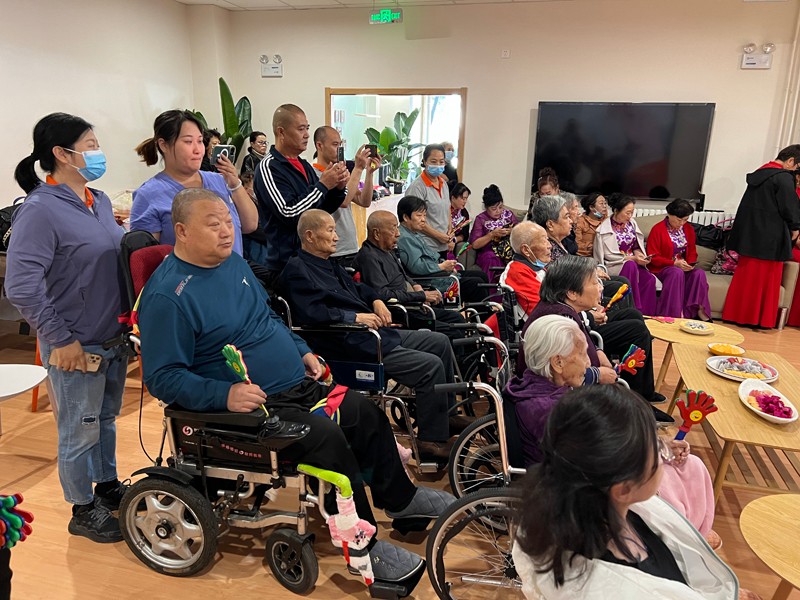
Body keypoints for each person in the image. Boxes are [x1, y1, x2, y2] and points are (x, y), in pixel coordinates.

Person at [138, 189, 454, 586]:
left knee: (363, 411)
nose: (226, 231)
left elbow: (269, 318)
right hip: (254, 409)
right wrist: (225, 394)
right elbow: (163, 378)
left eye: (228, 221)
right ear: (182, 231)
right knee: (328, 439)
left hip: (296, 387)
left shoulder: (233, 263)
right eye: (213, 224)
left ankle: (402, 501)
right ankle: (362, 546)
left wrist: (302, 350)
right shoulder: (167, 297)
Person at [5, 113, 129, 543]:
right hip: (74, 343)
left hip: (112, 336)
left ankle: (107, 485)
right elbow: (21, 285)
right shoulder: (40, 210)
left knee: (105, 419)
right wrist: (60, 339)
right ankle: (81, 507)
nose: (98, 153)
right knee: (79, 429)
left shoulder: (100, 201)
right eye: (90, 145)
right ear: (61, 153)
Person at [511, 385, 753, 600]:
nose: (662, 452)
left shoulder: (565, 498)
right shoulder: (628, 590)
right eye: (656, 449)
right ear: (624, 488)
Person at [280, 209, 469, 463]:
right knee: (429, 365)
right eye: (331, 231)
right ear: (310, 236)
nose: (337, 237)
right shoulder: (297, 270)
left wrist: (376, 300)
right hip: (347, 342)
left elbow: (360, 288)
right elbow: (311, 313)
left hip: (372, 332)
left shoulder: (330, 264)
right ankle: (429, 441)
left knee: (440, 342)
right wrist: (354, 317)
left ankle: (445, 416)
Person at [507, 317, 717, 542]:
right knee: (680, 472)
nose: (588, 363)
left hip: (585, 468)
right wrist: (655, 452)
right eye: (582, 354)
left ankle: (695, 526)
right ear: (557, 362)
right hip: (578, 488)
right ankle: (688, 533)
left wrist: (661, 447)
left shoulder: (539, 386)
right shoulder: (548, 409)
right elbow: (596, 460)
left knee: (689, 465)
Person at [521, 255, 670, 418]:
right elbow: (561, 374)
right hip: (567, 398)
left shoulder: (564, 309)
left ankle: (639, 401)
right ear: (572, 293)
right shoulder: (560, 321)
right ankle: (636, 408)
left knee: (633, 319)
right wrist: (598, 374)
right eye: (594, 282)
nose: (600, 287)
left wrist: (598, 351)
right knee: (636, 330)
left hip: (578, 383)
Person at [130, 110, 258, 254]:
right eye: (188, 142)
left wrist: (235, 185)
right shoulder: (148, 195)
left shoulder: (219, 180)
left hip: (234, 267)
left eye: (200, 141)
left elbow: (250, 225)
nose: (198, 150)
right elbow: (147, 258)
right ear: (163, 145)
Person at [253, 104, 348, 288]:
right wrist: (323, 185)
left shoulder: (304, 166)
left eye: (307, 128)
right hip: (287, 264)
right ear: (281, 132)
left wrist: (338, 189)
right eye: (301, 129)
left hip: (314, 260)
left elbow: (321, 211)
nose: (306, 135)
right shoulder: (269, 167)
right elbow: (288, 212)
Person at [354, 210, 467, 339]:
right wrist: (420, 296)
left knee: (457, 318)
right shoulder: (369, 257)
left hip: (413, 303)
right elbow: (382, 294)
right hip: (401, 312)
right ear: (376, 234)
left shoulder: (387, 249)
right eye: (393, 229)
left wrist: (415, 286)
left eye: (397, 228)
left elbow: (403, 274)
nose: (398, 234)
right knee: (453, 331)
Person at [723, 145, 800, 328]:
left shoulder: (760, 173)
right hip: (771, 237)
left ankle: (736, 315)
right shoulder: (783, 177)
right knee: (767, 278)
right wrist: (795, 227)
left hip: (750, 236)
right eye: (798, 166)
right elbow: (789, 207)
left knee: (747, 277)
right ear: (790, 161)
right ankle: (759, 320)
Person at [396, 195, 489, 303]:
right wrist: (442, 266)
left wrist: (446, 265)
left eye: (425, 215)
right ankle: (482, 313)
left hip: (436, 273)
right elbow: (416, 267)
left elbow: (431, 256)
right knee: (476, 284)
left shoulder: (413, 233)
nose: (423, 219)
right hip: (429, 280)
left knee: (481, 275)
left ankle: (485, 311)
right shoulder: (404, 237)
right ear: (406, 217)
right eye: (419, 215)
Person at [312, 126, 377, 268]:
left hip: (350, 245)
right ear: (319, 145)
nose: (339, 149)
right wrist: (358, 169)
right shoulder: (315, 174)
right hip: (332, 249)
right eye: (335, 144)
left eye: (340, 144)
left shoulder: (340, 172)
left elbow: (364, 201)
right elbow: (343, 201)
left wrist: (369, 173)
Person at [646, 199, 712, 320]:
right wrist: (674, 263)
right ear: (670, 215)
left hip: (682, 266)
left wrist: (690, 263)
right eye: (678, 220)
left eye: (685, 220)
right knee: (676, 273)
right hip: (663, 268)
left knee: (699, 273)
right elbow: (653, 257)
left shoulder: (688, 229)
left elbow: (692, 251)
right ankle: (673, 314)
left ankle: (698, 312)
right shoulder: (657, 230)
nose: (682, 223)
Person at [593, 193, 658, 315]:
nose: (630, 216)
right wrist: (633, 258)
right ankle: (633, 309)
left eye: (632, 212)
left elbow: (636, 246)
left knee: (649, 279)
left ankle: (647, 314)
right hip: (615, 265)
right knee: (630, 265)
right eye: (627, 213)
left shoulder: (632, 224)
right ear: (616, 210)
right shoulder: (604, 230)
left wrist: (640, 256)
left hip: (633, 262)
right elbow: (608, 256)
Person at [404, 143, 452, 258]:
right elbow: (415, 219)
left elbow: (447, 209)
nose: (438, 165)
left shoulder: (443, 183)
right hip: (425, 246)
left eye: (441, 161)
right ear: (425, 161)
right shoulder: (417, 187)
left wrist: (450, 229)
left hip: (443, 245)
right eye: (433, 161)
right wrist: (438, 236)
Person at [499, 221, 551, 318]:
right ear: (526, 250)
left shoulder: (535, 266)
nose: (549, 246)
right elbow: (541, 311)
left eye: (547, 240)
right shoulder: (518, 272)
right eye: (544, 241)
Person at [468, 184, 519, 283]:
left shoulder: (508, 214)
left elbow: (521, 231)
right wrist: (492, 234)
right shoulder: (481, 219)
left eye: (500, 207)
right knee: (491, 259)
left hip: (508, 250)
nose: (498, 211)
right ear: (486, 208)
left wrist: (512, 231)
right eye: (494, 209)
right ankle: (490, 290)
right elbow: (475, 244)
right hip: (489, 252)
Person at [575, 192, 608, 257]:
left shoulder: (606, 220)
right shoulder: (580, 222)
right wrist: (595, 247)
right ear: (591, 207)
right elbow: (576, 245)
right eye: (601, 203)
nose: (605, 206)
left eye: (605, 203)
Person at [448, 182, 471, 259]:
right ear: (453, 198)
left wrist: (454, 240)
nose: (465, 201)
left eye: (466, 199)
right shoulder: (444, 209)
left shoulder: (464, 213)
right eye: (462, 198)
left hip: (452, 245)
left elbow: (464, 235)